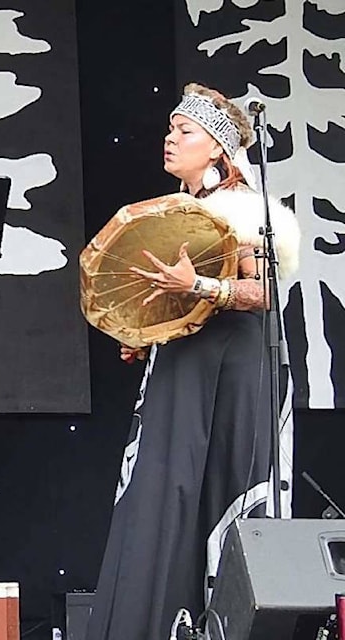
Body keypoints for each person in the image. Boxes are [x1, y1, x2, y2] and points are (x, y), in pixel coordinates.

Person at [86, 83, 301, 639]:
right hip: (186, 361)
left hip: (234, 364)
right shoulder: (187, 211)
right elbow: (179, 302)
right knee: (163, 486)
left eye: (184, 132)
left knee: (226, 482)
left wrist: (199, 283)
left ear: (219, 149)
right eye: (170, 129)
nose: (169, 139)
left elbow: (265, 296)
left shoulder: (242, 209)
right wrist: (147, 332)